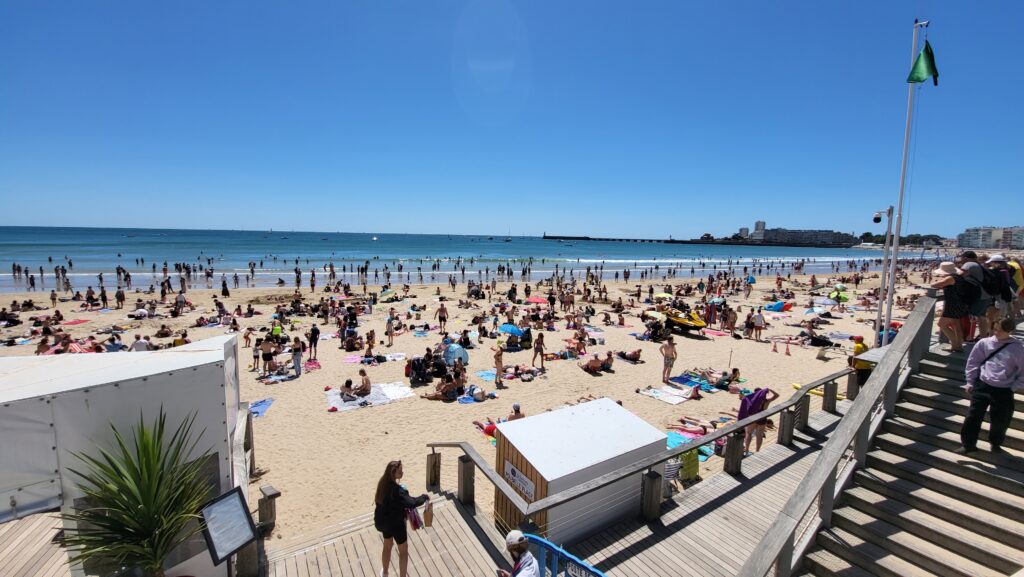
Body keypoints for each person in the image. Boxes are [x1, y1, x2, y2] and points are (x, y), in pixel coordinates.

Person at [959, 317, 1024, 454]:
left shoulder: (1018, 348)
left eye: (1000, 330)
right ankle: (968, 445)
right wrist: (970, 381)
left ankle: (996, 443)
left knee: (1001, 420)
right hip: (983, 385)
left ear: (1009, 330)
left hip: (1003, 389)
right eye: (994, 329)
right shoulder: (984, 343)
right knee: (972, 417)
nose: (996, 333)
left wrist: (1013, 387)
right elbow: (973, 362)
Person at [373, 461, 429, 577]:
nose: (402, 472)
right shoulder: (398, 491)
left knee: (387, 546)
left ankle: (385, 572)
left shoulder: (382, 484)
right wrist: (424, 497)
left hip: (383, 522)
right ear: (394, 474)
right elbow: (412, 502)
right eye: (400, 471)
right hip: (397, 524)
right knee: (403, 551)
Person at [930, 261, 968, 352]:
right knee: (956, 325)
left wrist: (939, 281)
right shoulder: (959, 277)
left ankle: (955, 344)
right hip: (960, 304)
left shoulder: (951, 278)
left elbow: (935, 285)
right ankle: (957, 346)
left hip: (953, 305)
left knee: (941, 324)